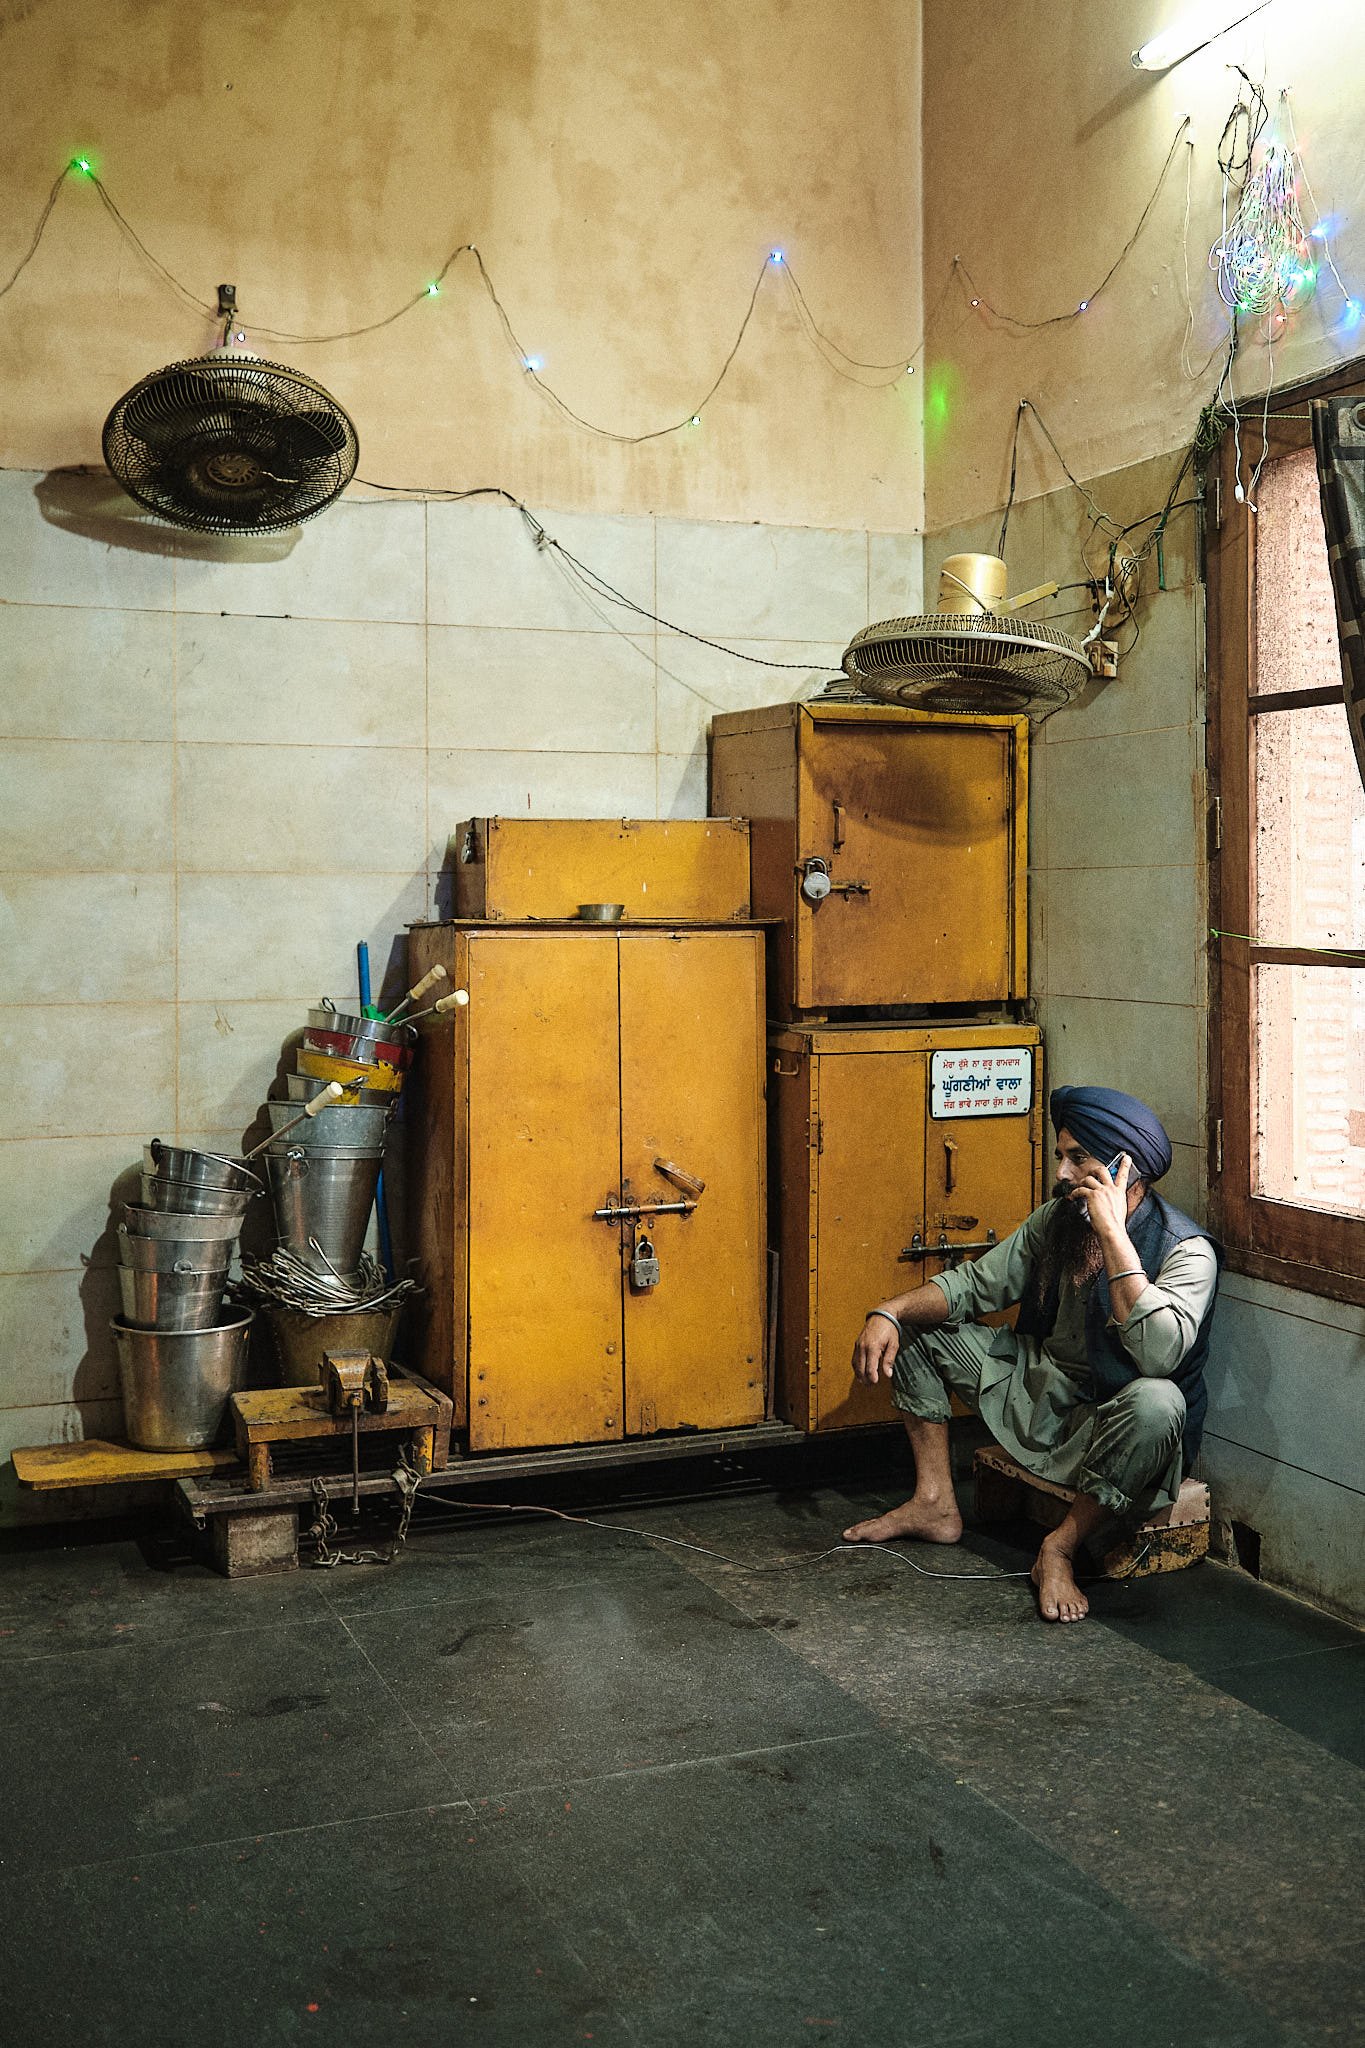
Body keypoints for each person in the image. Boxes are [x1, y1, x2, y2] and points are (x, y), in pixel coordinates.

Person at [844, 1085, 1220, 1624]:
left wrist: (1113, 1236)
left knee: (1159, 1402)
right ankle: (934, 1502)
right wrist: (889, 1310)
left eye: (1078, 1158)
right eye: (1061, 1155)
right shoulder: (1059, 1218)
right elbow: (976, 1285)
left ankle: (1059, 1549)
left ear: (1125, 1169)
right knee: (917, 1325)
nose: (1063, 1172)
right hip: (1042, 1391)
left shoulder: (1187, 1250)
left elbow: (1160, 1358)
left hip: (1113, 1421)